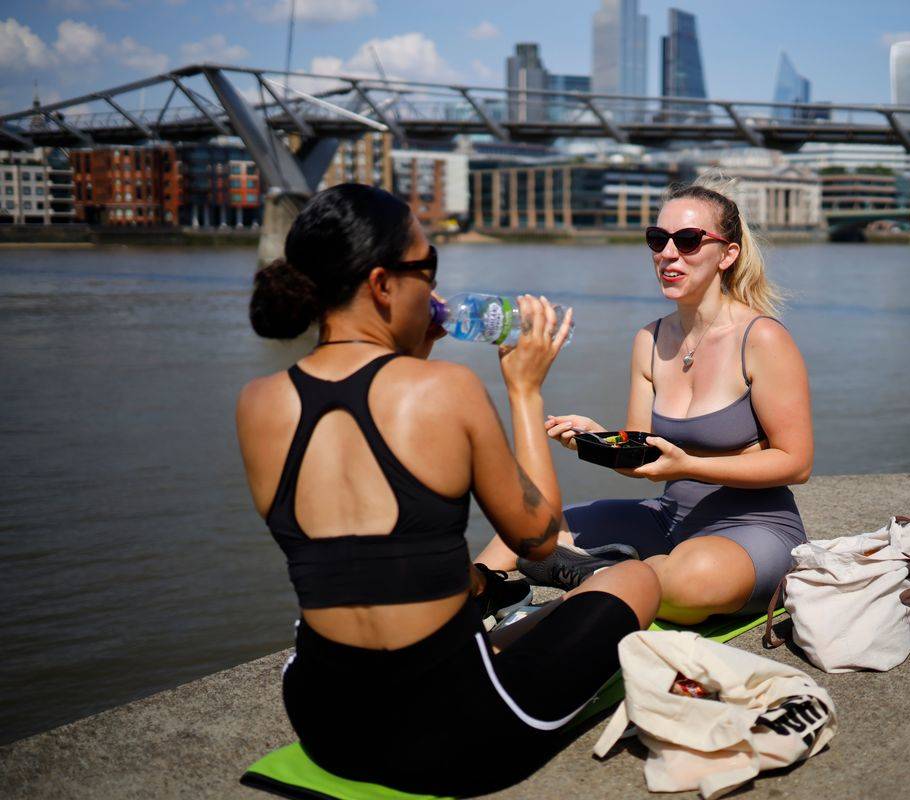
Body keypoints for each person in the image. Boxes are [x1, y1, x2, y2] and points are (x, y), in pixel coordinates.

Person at [235, 184, 660, 796]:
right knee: (634, 580)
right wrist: (525, 390)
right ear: (382, 285)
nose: (436, 290)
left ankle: (496, 610)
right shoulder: (446, 390)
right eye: (426, 267)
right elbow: (537, 537)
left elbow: (359, 553)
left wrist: (410, 343)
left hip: (325, 720)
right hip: (450, 736)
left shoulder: (257, 402)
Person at [476, 178, 812, 625]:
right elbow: (640, 456)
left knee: (686, 579)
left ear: (727, 255)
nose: (669, 254)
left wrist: (688, 466)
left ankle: (578, 594)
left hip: (752, 530)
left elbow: (796, 463)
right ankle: (455, 610)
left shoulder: (762, 337)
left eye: (689, 241)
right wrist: (595, 440)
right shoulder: (649, 340)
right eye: (659, 239)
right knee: (523, 534)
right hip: (665, 520)